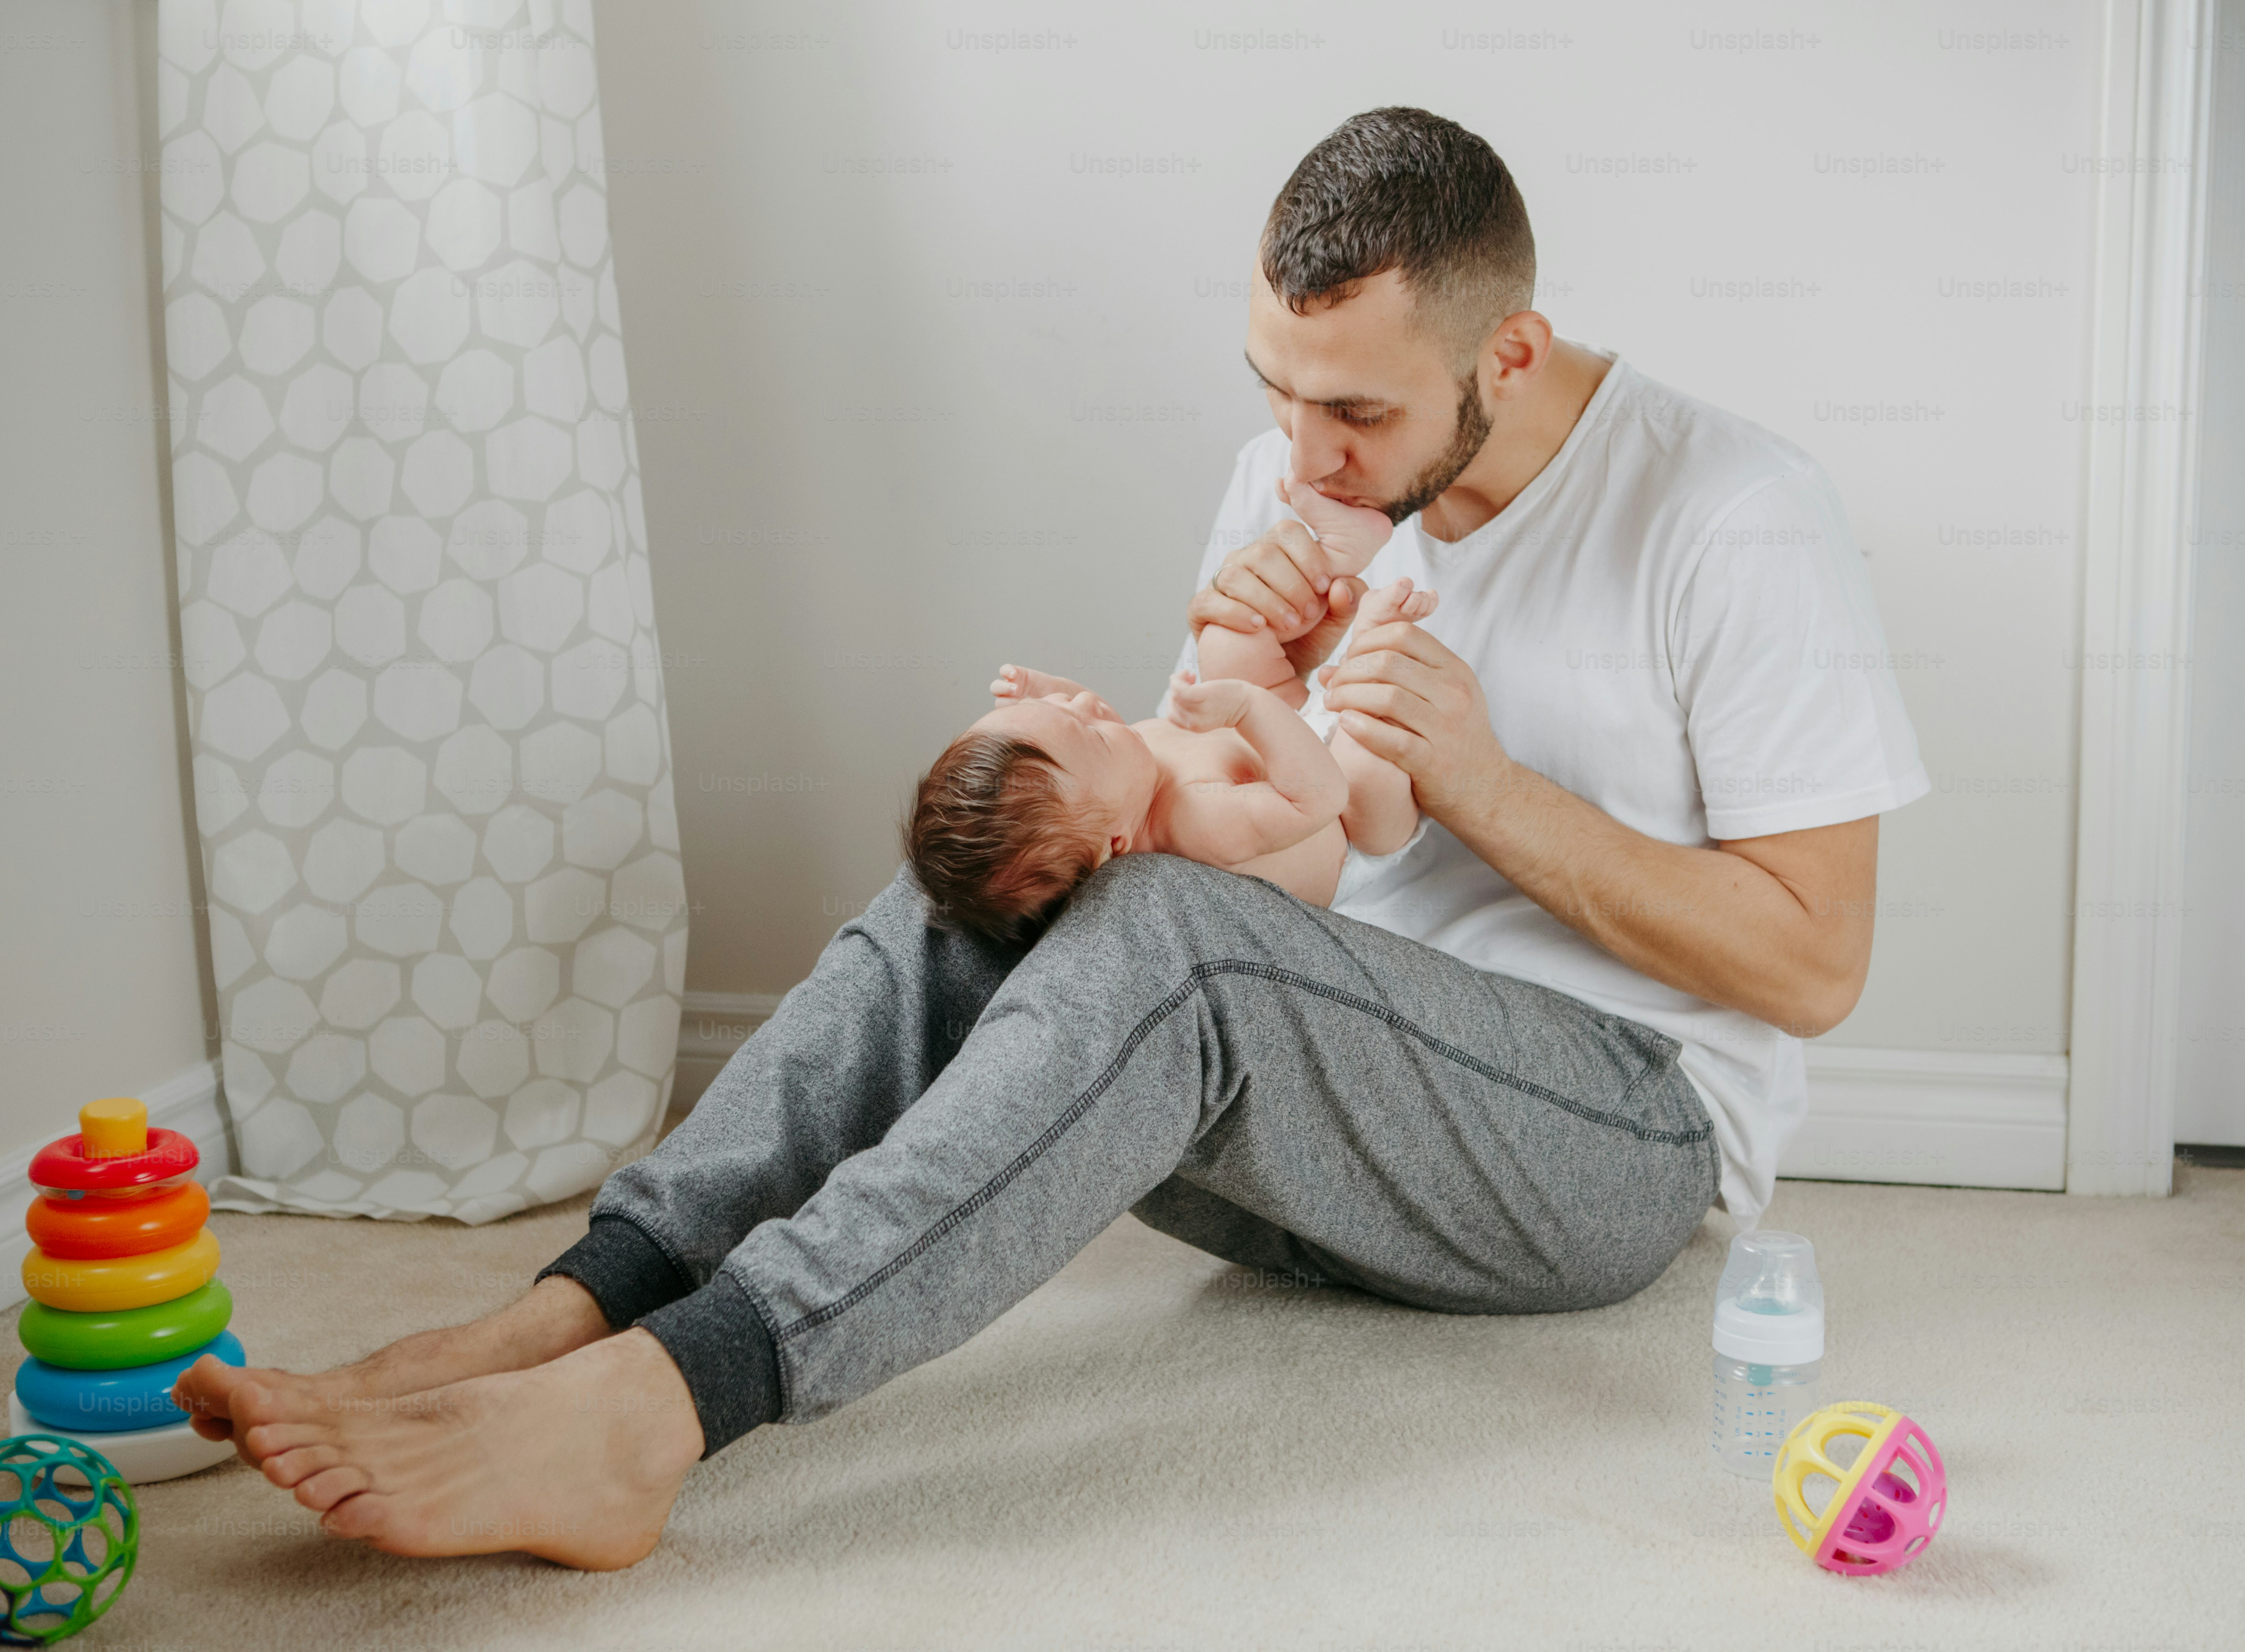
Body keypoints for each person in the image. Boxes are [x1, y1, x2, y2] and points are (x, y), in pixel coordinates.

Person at [174, 105, 1926, 1569]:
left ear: (1510, 352)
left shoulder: (1731, 516)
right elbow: (1190, 848)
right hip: (1327, 1121)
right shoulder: (1295, 486)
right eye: (1273, 393)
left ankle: (656, 1408)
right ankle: (576, 1306)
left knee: (1166, 943)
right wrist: (1153, 740)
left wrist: (1470, 777)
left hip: (1606, 1151)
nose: (1300, 459)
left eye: (1354, 416)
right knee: (1005, 866)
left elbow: (1810, 964)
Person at [907, 574, 1437, 943]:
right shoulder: (1194, 823)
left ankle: (1325, 660)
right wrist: (1246, 706)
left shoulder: (1116, 778)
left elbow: (1089, 716)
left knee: (1225, 640)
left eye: (1058, 706)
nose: (1089, 703)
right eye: (1093, 735)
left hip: (1289, 735)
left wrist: (1041, 694)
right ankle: (1370, 641)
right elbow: (1321, 796)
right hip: (1352, 827)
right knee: (1369, 740)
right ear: (1115, 844)